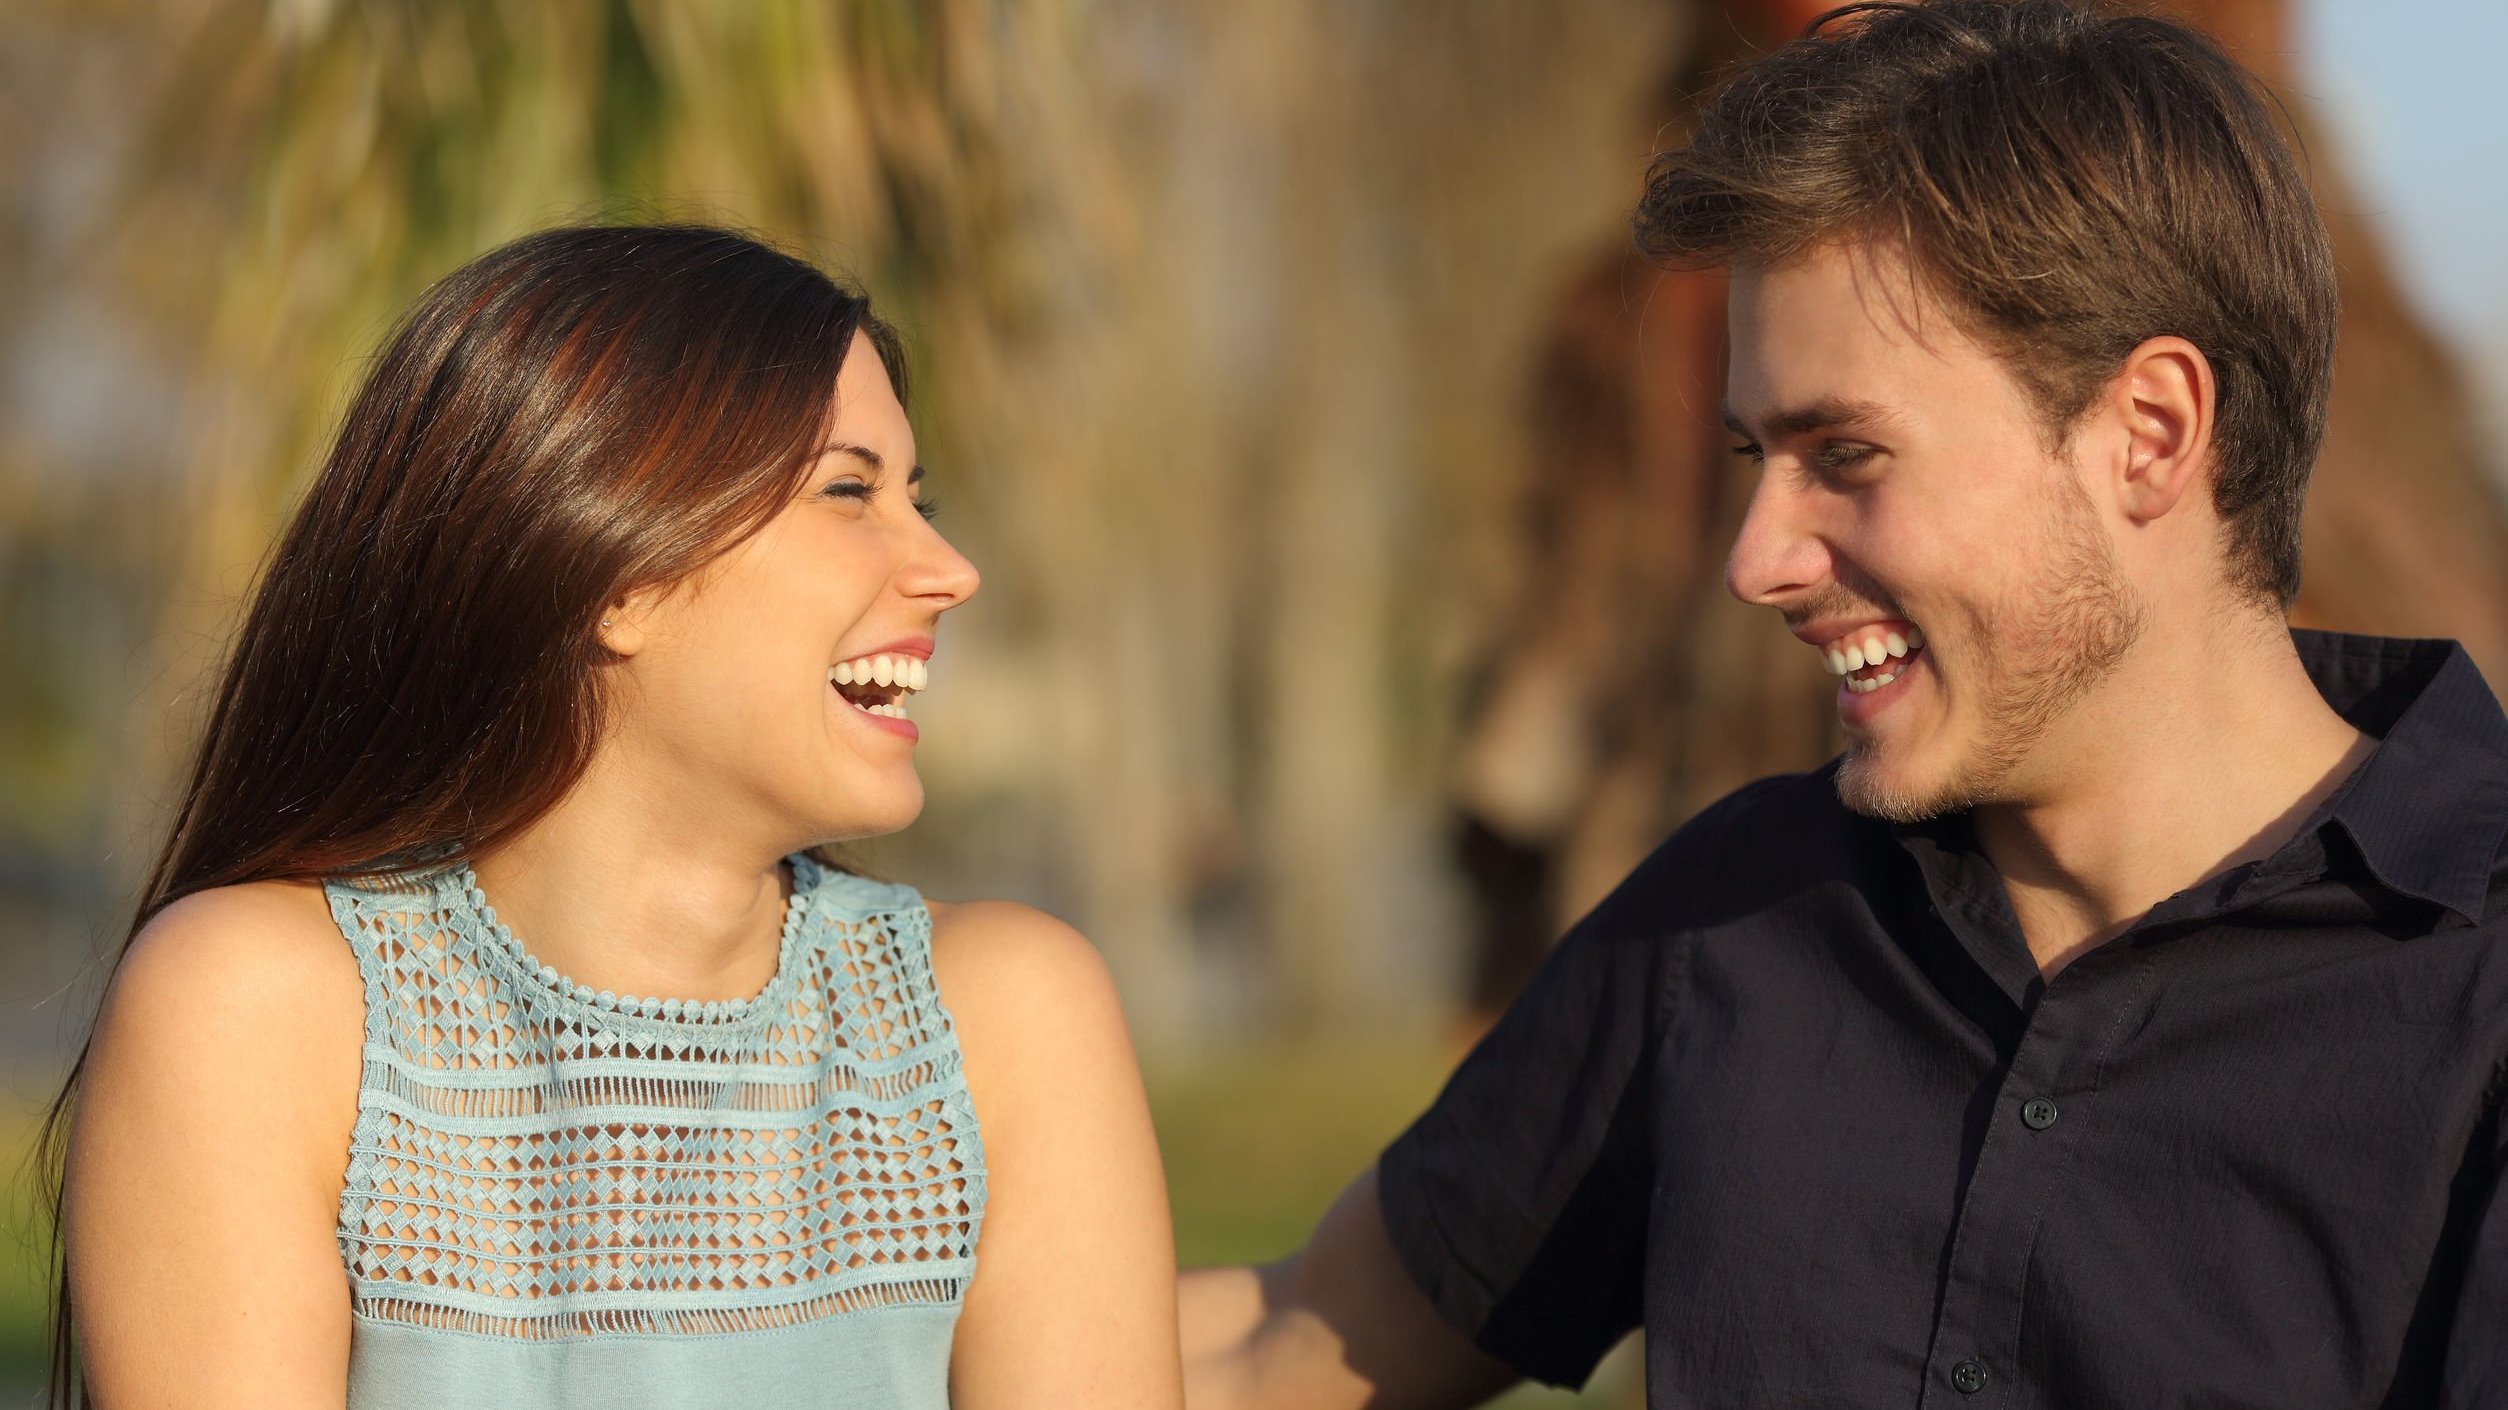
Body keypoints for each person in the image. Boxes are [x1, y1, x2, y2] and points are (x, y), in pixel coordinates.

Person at [1180, 2, 2508, 1406]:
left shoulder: (2477, 996)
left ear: (2151, 433)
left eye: (1848, 452)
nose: (1754, 561)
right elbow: (1283, 1345)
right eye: (1757, 452)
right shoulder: (1734, 918)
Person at [51, 226, 1182, 1409]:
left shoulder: (1000, 1023)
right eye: (850, 492)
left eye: (917, 497)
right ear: (614, 568)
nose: (950, 568)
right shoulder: (264, 1009)